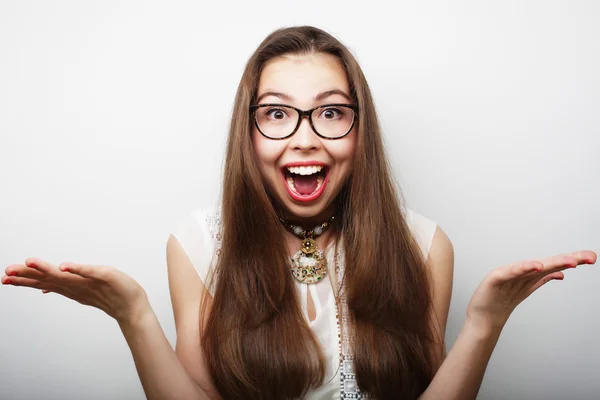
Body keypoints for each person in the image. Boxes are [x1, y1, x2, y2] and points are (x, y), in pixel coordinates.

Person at [2, 26, 596, 400]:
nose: (305, 139)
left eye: (332, 113)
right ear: (250, 132)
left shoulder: (423, 244)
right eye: (278, 113)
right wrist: (132, 314)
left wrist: (485, 324)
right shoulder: (196, 245)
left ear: (360, 131)